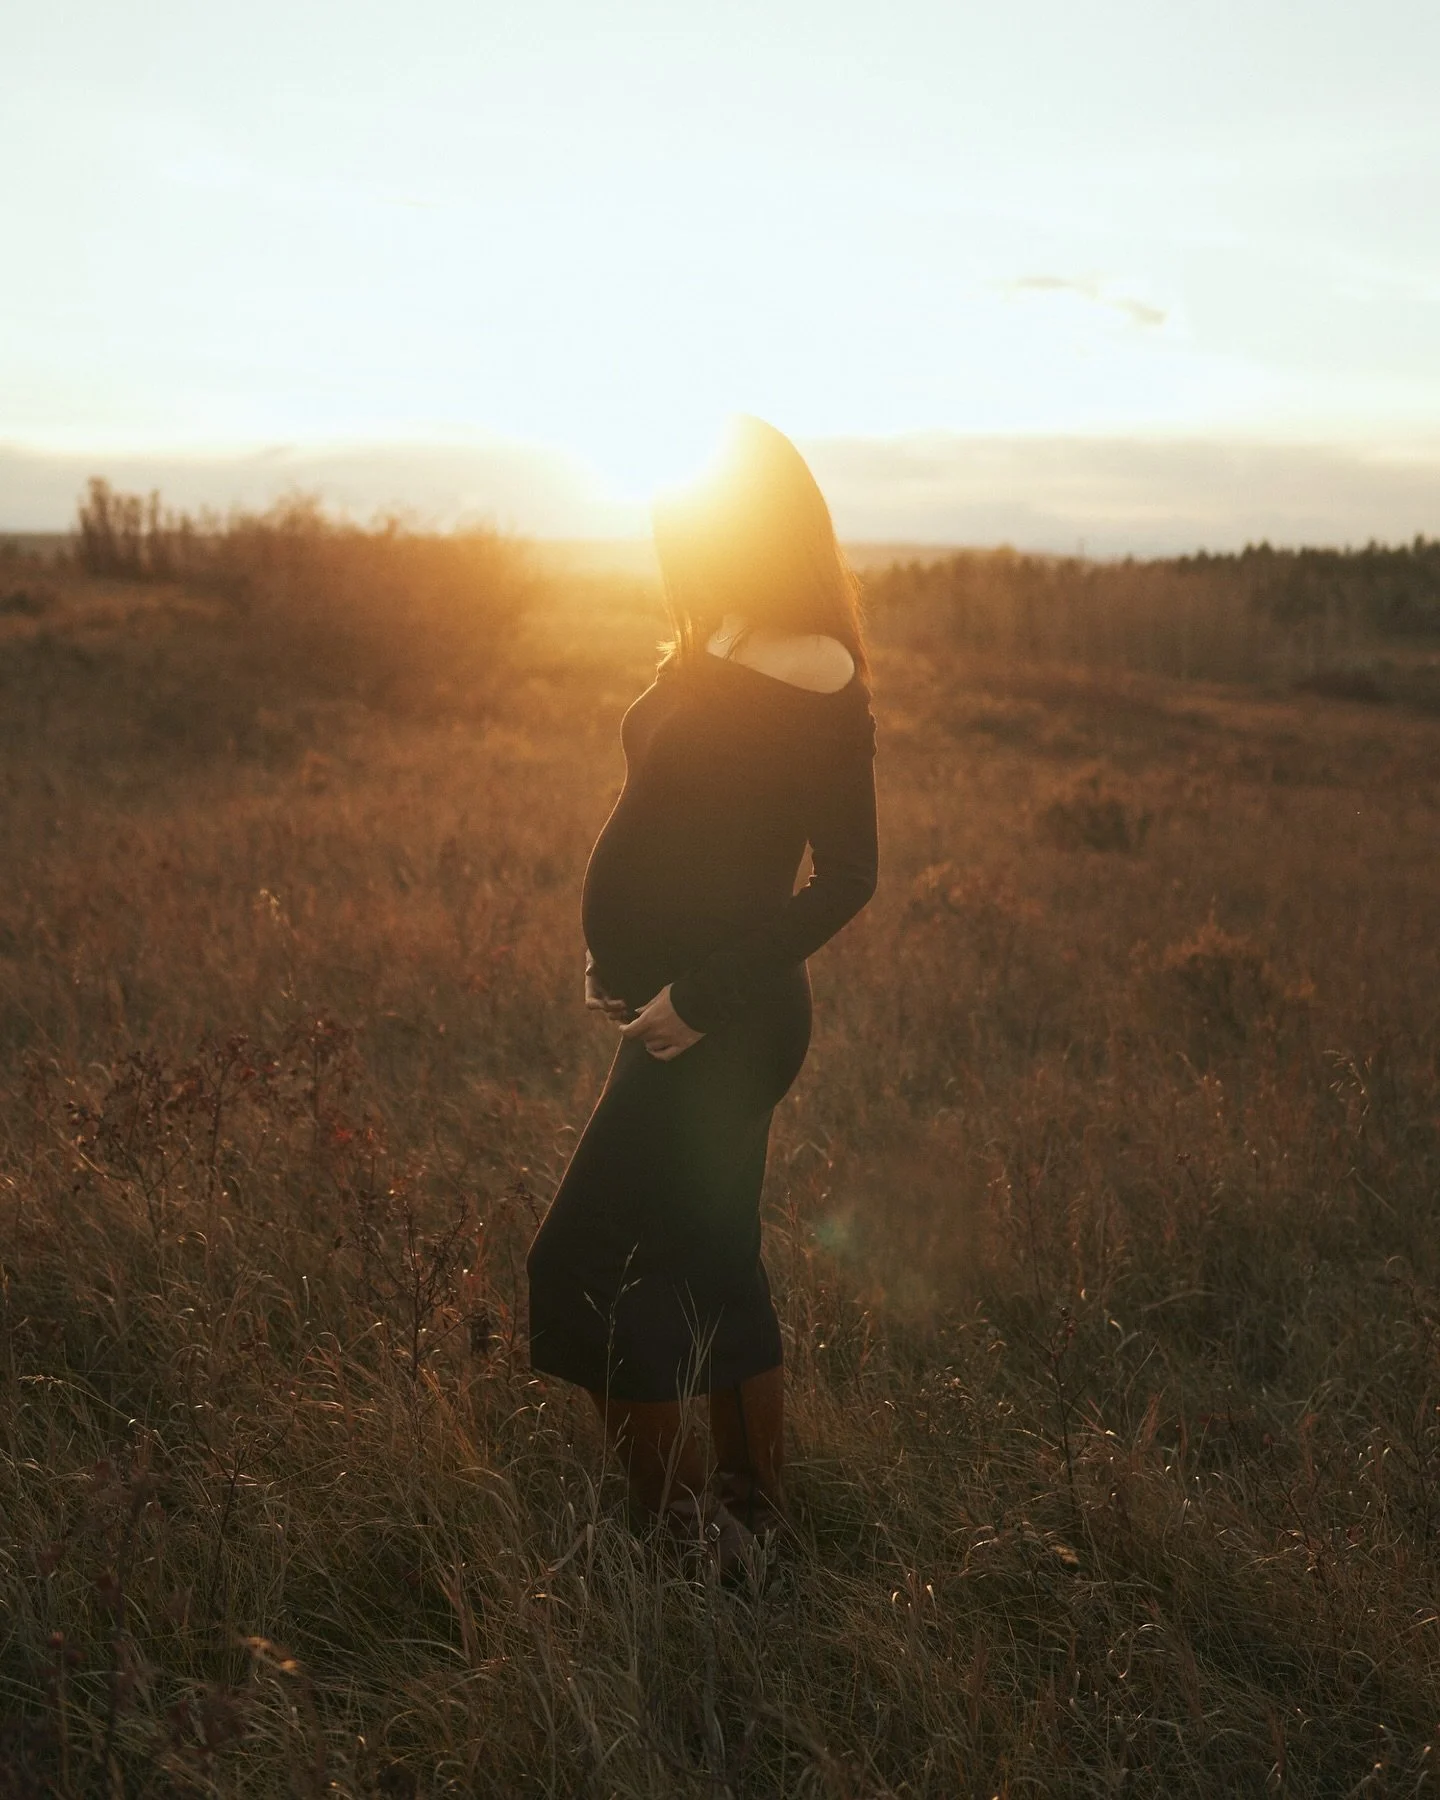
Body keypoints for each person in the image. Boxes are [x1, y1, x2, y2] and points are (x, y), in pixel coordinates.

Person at [526, 415, 879, 1576]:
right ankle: (755, 1515)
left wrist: (701, 991)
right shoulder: (712, 630)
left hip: (727, 1023)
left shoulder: (814, 664)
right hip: (673, 1009)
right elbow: (670, 813)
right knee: (714, 1253)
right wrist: (616, 952)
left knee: (580, 1259)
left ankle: (689, 1540)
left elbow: (850, 876)